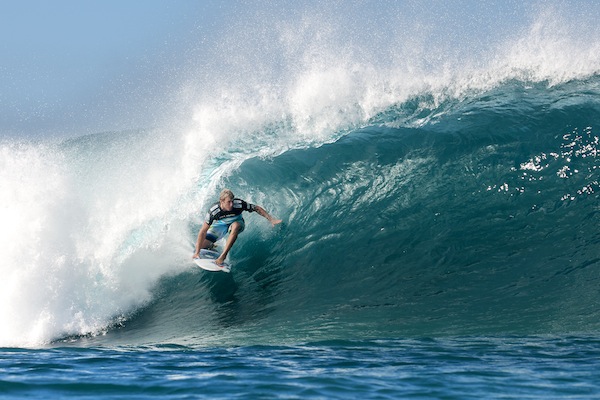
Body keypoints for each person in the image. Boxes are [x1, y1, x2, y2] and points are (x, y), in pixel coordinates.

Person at [193, 189, 282, 266]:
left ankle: (223, 255)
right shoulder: (214, 211)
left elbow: (256, 208)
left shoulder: (238, 204)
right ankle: (211, 245)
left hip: (238, 223)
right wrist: (197, 252)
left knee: (235, 226)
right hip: (222, 224)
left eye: (232, 201)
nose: (232, 204)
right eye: (229, 202)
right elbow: (203, 231)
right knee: (200, 246)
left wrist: (271, 219)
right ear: (221, 201)